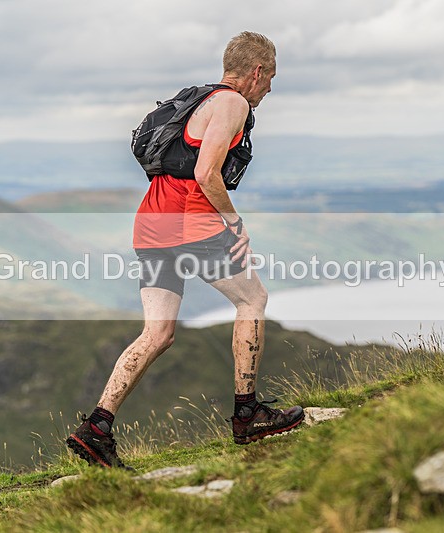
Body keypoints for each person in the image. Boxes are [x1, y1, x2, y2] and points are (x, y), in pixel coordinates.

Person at [66, 31, 304, 469]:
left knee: (157, 333)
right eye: (270, 77)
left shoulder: (198, 100)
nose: (270, 88)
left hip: (151, 224)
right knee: (253, 299)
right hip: (190, 223)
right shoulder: (233, 103)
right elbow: (207, 172)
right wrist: (233, 222)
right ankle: (247, 413)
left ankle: (96, 428)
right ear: (256, 72)